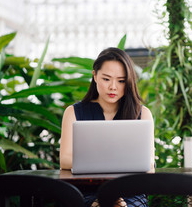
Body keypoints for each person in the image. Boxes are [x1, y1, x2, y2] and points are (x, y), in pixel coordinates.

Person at [59, 47, 155, 207]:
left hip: (131, 193)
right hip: (87, 191)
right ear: (95, 76)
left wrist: (94, 162)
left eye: (121, 81)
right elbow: (65, 160)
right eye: (106, 79)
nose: (113, 87)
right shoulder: (73, 112)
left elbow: (149, 162)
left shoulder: (142, 113)